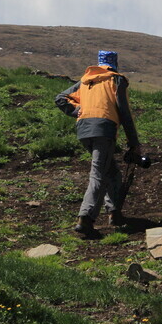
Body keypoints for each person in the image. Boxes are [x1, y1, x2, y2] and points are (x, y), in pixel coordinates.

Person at [55, 50, 141, 236]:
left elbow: (60, 98)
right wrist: (133, 142)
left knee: (111, 172)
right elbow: (124, 111)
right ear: (114, 63)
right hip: (104, 128)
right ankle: (86, 218)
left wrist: (76, 110)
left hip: (84, 130)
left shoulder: (86, 80)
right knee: (98, 174)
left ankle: (114, 213)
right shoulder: (116, 79)